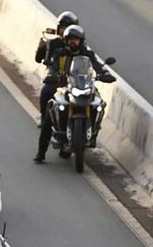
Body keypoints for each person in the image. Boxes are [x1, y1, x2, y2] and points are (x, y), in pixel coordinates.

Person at [34, 25, 114, 163]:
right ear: (66, 40)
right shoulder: (60, 53)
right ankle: (41, 153)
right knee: (50, 112)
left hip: (83, 87)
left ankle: (94, 128)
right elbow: (53, 67)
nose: (73, 42)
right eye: (71, 39)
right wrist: (53, 76)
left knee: (99, 104)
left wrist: (104, 73)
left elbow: (96, 66)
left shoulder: (87, 54)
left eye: (76, 39)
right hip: (64, 88)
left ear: (81, 40)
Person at [34, 11, 78, 124]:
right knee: (46, 91)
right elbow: (39, 59)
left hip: (74, 82)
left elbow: (90, 61)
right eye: (62, 28)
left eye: (66, 28)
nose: (63, 32)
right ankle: (44, 118)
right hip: (55, 80)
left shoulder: (79, 46)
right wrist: (41, 49)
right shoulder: (53, 44)